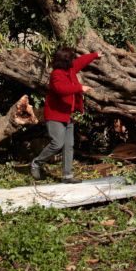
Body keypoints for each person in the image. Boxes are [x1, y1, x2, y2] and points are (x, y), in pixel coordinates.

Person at [30, 47, 100, 183]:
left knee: (69, 145)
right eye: (71, 58)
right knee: (57, 144)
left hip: (68, 115)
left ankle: (67, 176)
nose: (74, 60)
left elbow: (81, 61)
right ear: (65, 60)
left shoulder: (71, 69)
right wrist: (80, 87)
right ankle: (36, 163)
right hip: (55, 115)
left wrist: (95, 55)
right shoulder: (56, 74)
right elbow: (61, 89)